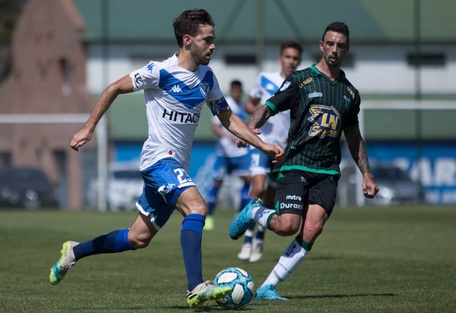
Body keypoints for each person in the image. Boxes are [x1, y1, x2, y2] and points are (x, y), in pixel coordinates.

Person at [48, 9, 284, 308]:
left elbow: (227, 117)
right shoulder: (160, 71)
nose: (213, 46)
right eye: (207, 40)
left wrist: (261, 144)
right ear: (188, 41)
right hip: (158, 160)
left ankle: (73, 252)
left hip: (175, 166)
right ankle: (196, 286)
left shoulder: (208, 78)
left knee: (137, 238)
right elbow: (113, 88)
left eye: (214, 39)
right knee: (197, 206)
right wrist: (89, 127)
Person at [230, 21, 379, 300]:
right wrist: (249, 130)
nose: (335, 50)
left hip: (327, 170)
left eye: (341, 46)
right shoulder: (301, 80)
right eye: (330, 44)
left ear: (346, 49)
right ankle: (254, 212)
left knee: (312, 229)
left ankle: (268, 286)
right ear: (322, 45)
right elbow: (268, 106)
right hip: (297, 163)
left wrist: (367, 175)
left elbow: (353, 137)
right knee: (287, 226)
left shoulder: (349, 94)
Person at [238, 41, 303, 262]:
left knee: (271, 195)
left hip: (283, 148)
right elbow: (250, 104)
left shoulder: (300, 83)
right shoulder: (265, 78)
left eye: (295, 58)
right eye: (288, 57)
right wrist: (258, 116)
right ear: (280, 58)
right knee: (257, 187)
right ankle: (248, 238)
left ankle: (259, 239)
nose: (291, 62)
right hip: (262, 142)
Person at [204, 80, 251, 230]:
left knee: (248, 180)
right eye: (234, 91)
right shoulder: (224, 104)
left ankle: (239, 214)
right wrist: (228, 137)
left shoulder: (244, 106)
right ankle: (209, 216)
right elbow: (214, 127)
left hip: (241, 153)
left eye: (239, 91)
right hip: (224, 152)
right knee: (217, 183)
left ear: (241, 92)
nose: (236, 93)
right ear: (231, 91)